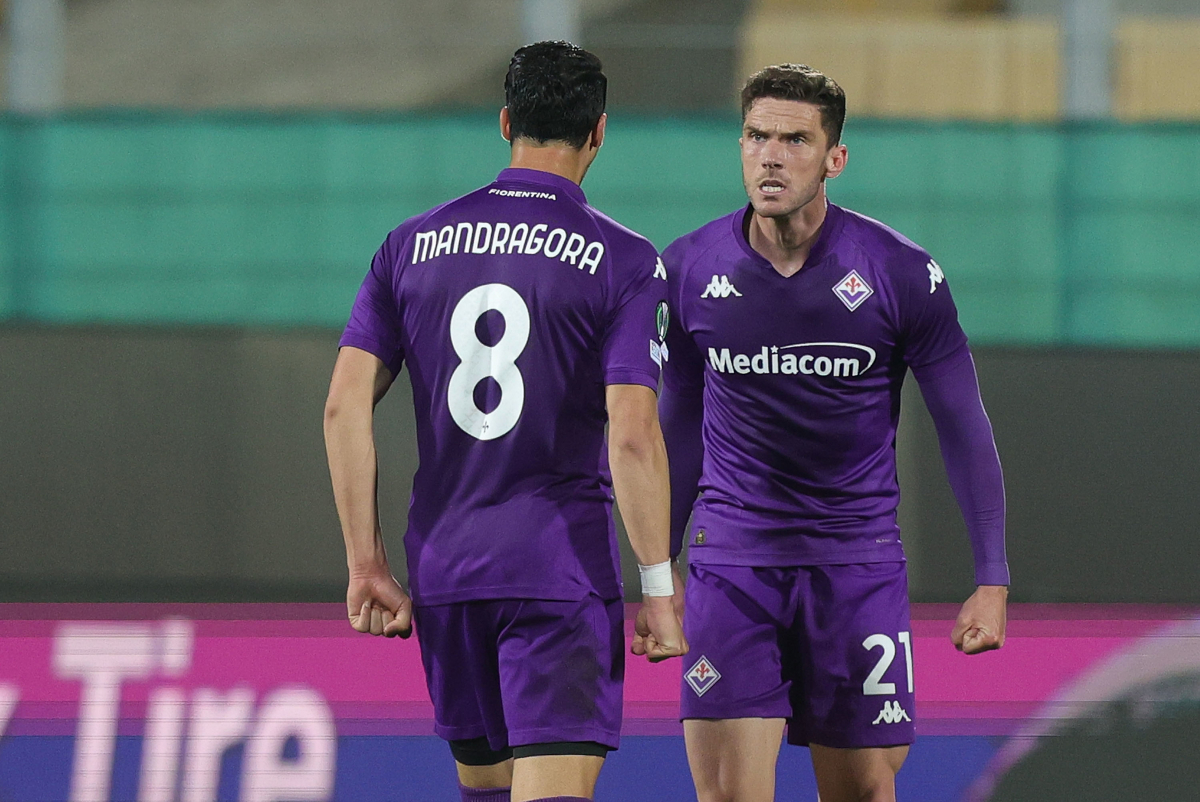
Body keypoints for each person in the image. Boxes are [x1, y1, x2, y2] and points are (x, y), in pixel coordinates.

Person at [323, 41, 687, 802]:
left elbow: (343, 405)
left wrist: (365, 563)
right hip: (555, 575)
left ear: (504, 122)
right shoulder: (624, 259)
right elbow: (631, 432)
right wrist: (659, 586)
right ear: (599, 133)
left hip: (447, 574)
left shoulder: (408, 246)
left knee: (487, 792)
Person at [658, 63, 1009, 802]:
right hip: (732, 565)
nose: (771, 156)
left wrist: (991, 577)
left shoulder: (900, 273)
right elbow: (677, 423)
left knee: (862, 793)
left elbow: (962, 424)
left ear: (834, 159)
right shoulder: (688, 270)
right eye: (756, 135)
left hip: (856, 567)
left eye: (794, 139)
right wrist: (659, 572)